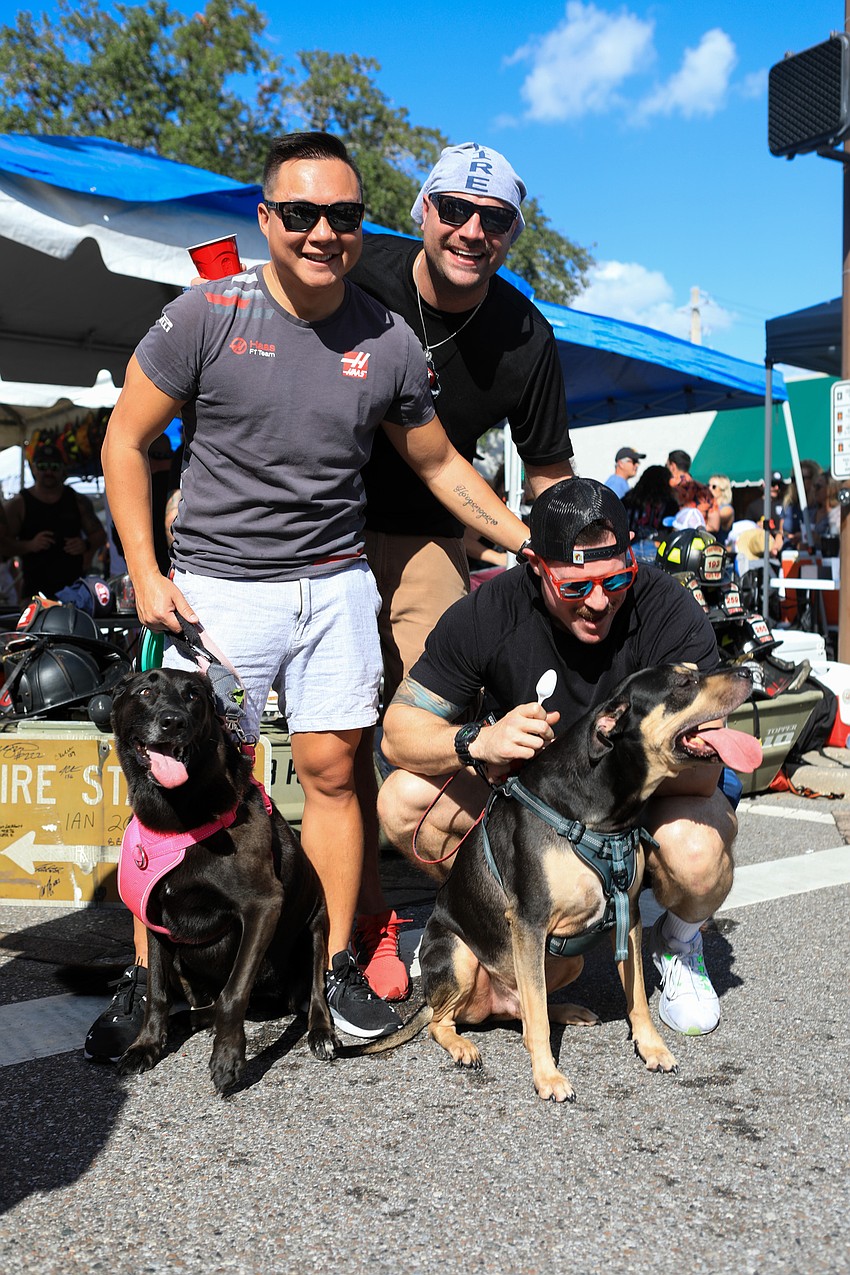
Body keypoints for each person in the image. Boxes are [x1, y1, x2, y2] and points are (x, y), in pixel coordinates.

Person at [87, 131, 529, 1062]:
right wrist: (146, 570)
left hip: (332, 589)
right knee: (182, 783)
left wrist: (535, 544)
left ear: (363, 224)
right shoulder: (206, 313)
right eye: (300, 213)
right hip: (219, 593)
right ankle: (147, 975)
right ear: (266, 219)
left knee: (334, 775)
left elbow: (440, 464)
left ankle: (333, 971)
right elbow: (124, 441)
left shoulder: (388, 337)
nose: (323, 232)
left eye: (343, 215)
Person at [378, 478, 742, 1037]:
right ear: (535, 568)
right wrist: (478, 741)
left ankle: (678, 943)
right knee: (404, 800)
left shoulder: (666, 606)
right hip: (530, 809)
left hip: (635, 800)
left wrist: (615, 768)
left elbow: (705, 771)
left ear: (632, 561)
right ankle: (504, 927)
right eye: (575, 587)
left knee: (698, 852)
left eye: (615, 580)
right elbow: (398, 734)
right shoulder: (490, 611)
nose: (598, 602)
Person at [346, 141, 574, 998]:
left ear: (512, 232)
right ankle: (343, 915)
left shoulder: (525, 333)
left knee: (434, 739)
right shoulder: (358, 265)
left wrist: (570, 561)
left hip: (427, 538)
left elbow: (549, 474)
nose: (472, 230)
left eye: (495, 218)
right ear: (423, 211)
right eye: (454, 209)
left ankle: (486, 924)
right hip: (320, 531)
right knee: (326, 737)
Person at [0, 439, 106, 599]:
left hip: (74, 591)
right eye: (43, 466)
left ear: (63, 469)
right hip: (34, 591)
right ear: (34, 469)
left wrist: (86, 544)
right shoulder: (19, 504)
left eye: (54, 466)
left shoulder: (77, 500)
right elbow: (3, 546)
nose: (48, 471)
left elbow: (99, 535)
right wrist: (29, 545)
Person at [621, 464, 678, 562]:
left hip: (630, 546)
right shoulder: (669, 503)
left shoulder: (628, 499)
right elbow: (669, 529)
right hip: (657, 547)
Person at [708, 474, 735, 543]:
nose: (709, 489)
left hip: (718, 546)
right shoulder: (708, 506)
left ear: (723, 490)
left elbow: (713, 522)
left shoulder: (727, 509)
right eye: (708, 485)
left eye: (714, 487)